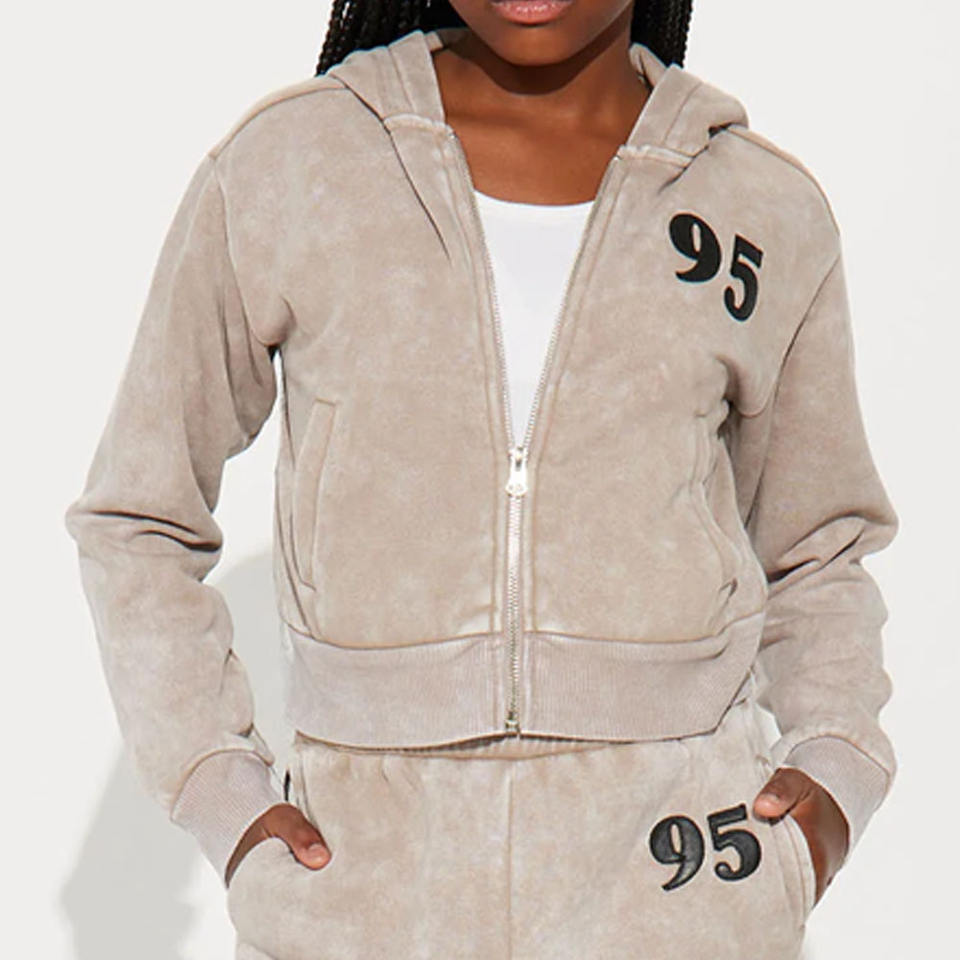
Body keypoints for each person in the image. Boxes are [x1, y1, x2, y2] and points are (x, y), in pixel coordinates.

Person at [63, 1, 899, 957]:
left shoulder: (760, 207)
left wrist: (836, 774)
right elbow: (139, 516)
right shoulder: (290, 169)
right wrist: (223, 794)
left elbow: (820, 546)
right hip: (361, 898)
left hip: (677, 894)